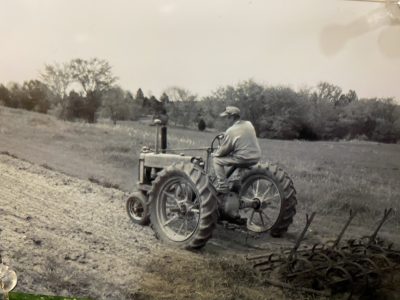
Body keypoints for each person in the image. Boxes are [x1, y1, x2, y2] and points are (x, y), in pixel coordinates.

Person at [212, 106, 262, 193]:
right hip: (255, 156)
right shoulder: (248, 124)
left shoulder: (231, 130)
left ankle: (223, 186)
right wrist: (227, 134)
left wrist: (215, 154)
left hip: (243, 158)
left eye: (227, 118)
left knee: (216, 160)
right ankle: (236, 184)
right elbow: (242, 135)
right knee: (236, 159)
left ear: (232, 117)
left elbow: (223, 151)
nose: (226, 120)